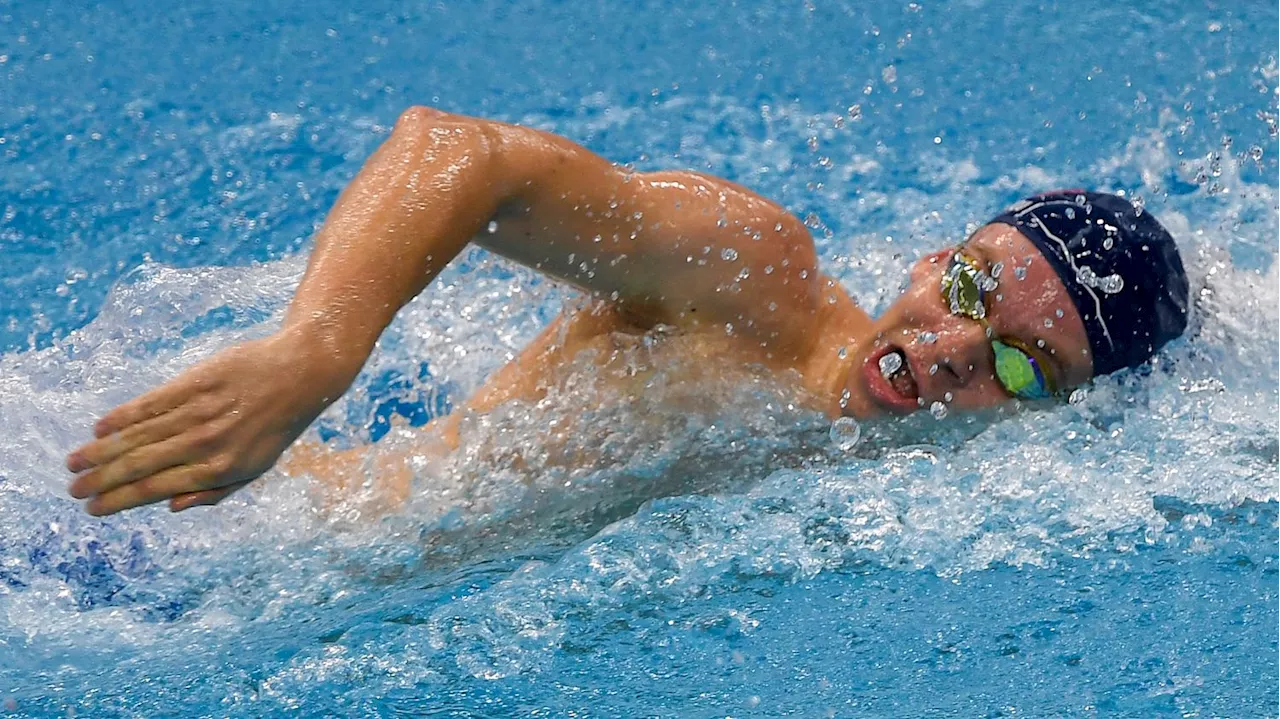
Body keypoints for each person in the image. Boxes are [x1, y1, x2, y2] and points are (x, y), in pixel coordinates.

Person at [63, 106, 1190, 516]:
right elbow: (460, 152)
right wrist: (314, 352)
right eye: (966, 291)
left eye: (1024, 368)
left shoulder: (921, 499)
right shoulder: (757, 280)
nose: (950, 355)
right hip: (177, 503)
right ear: (931, 254)